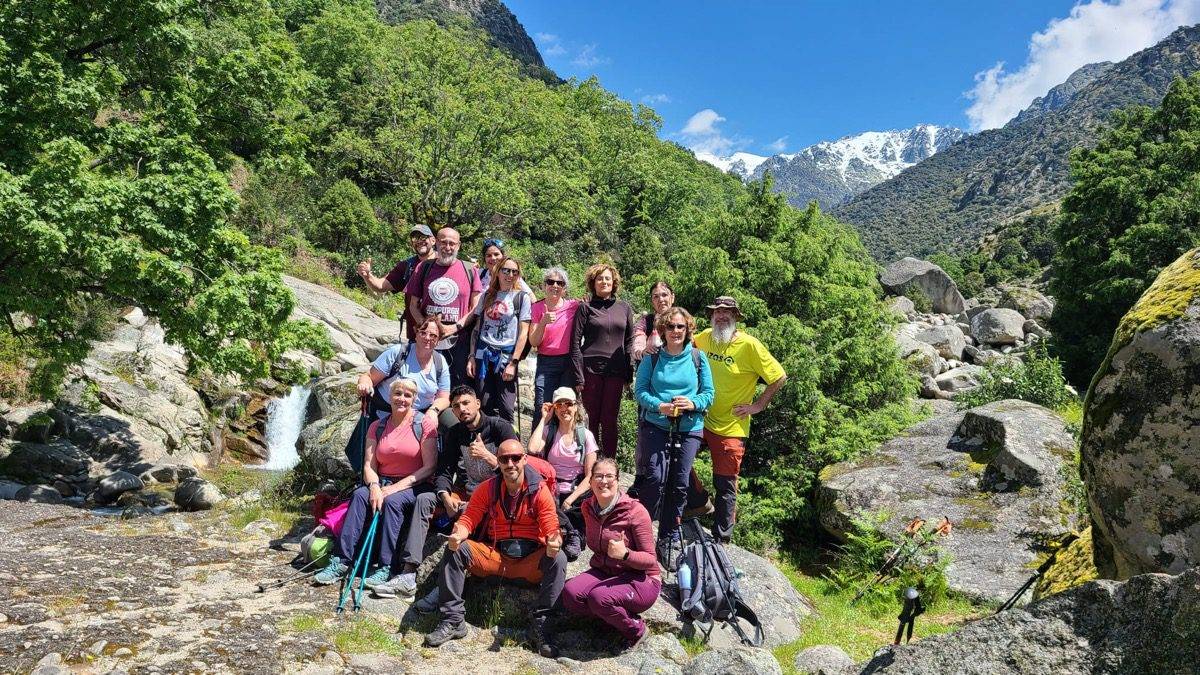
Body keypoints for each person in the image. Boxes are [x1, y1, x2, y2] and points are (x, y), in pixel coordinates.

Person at [424, 439, 565, 658]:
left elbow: (550, 523)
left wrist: (554, 540)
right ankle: (453, 620)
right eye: (504, 459)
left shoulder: (539, 490)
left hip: (529, 563)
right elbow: (469, 518)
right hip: (496, 557)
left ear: (525, 459)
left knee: (558, 558)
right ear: (497, 462)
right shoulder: (487, 489)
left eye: (516, 458)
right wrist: (458, 533)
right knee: (457, 549)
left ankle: (542, 628)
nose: (511, 464)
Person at [400, 385, 520, 604]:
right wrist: (445, 496)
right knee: (425, 499)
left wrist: (488, 456)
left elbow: (518, 472)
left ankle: (443, 591)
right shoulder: (456, 433)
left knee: (466, 522)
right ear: (453, 411)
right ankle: (408, 573)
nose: (462, 409)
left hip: (495, 496)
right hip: (465, 493)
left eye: (466, 403)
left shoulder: (500, 428)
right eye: (456, 406)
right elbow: (444, 470)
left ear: (477, 403)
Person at [314, 378, 438, 590]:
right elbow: (369, 466)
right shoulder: (377, 426)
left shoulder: (423, 424)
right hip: (382, 482)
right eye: (398, 394)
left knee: (392, 502)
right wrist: (374, 487)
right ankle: (342, 560)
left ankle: (385, 566)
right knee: (360, 495)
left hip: (415, 484)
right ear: (389, 397)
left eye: (408, 395)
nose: (402, 399)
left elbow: (429, 467)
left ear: (415, 399)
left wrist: (391, 489)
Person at [690, 296, 787, 544]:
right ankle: (699, 502)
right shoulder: (703, 338)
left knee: (725, 483)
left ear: (735, 317)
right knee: (674, 457)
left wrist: (758, 406)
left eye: (727, 312)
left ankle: (722, 539)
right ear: (711, 316)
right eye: (717, 312)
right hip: (700, 418)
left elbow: (778, 377)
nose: (722, 316)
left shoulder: (749, 345)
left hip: (731, 427)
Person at [633, 307, 713, 566]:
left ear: (688, 329)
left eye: (681, 327)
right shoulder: (652, 359)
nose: (676, 331)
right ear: (662, 330)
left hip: (688, 427)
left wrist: (691, 403)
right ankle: (641, 531)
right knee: (654, 478)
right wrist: (660, 406)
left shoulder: (698, 358)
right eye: (671, 327)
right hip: (656, 424)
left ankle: (668, 536)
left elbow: (709, 394)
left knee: (679, 483)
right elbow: (640, 391)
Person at [562, 458, 659, 650]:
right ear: (590, 482)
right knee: (570, 593)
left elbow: (650, 560)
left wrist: (625, 555)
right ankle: (613, 621)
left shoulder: (635, 511)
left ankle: (636, 630)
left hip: (641, 579)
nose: (603, 481)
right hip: (606, 571)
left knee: (600, 598)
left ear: (618, 480)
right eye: (598, 476)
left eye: (609, 476)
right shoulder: (588, 507)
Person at [404, 227, 484, 387]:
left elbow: (475, 308)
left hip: (459, 341)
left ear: (458, 245)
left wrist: (454, 328)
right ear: (436, 243)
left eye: (452, 243)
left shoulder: (470, 270)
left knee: (457, 387)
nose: (447, 247)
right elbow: (413, 305)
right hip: (428, 340)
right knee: (424, 385)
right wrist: (427, 328)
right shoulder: (423, 267)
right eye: (443, 243)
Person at [570, 263, 634, 459]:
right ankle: (588, 463)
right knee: (591, 419)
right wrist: (578, 377)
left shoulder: (624, 308)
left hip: (616, 371)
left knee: (610, 420)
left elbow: (629, 341)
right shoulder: (585, 307)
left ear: (614, 282)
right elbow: (574, 343)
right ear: (593, 283)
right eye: (599, 279)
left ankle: (609, 463)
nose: (604, 282)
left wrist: (628, 373)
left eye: (607, 278)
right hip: (590, 370)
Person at [465, 256, 532, 422]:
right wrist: (472, 357)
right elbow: (476, 328)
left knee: (506, 407)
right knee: (484, 402)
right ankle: (487, 442)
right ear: (498, 271)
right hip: (483, 353)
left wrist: (514, 363)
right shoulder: (487, 295)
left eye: (514, 272)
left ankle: (509, 443)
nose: (510, 275)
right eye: (506, 270)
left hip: (506, 357)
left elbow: (524, 332)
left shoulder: (521, 298)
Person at [355, 317, 450, 422]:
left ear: (438, 341)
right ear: (416, 335)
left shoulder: (440, 362)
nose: (427, 338)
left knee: (450, 419)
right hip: (385, 413)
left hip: (419, 417)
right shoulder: (398, 352)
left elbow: (444, 398)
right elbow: (368, 377)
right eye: (423, 333)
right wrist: (364, 384)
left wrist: (433, 410)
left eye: (433, 335)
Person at [356, 224, 437, 340]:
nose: (419, 241)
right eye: (415, 238)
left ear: (433, 240)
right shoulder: (407, 266)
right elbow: (381, 286)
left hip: (442, 333)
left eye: (423, 237)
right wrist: (367, 275)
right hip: (416, 335)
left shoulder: (445, 263)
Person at [528, 387, 597, 509]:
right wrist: (544, 419)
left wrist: (570, 500)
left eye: (568, 404)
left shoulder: (586, 436)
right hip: (549, 491)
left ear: (575, 407)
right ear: (554, 409)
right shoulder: (549, 431)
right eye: (559, 405)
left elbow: (590, 476)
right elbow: (532, 449)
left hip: (576, 495)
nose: (564, 409)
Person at [529, 266, 579, 413]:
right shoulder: (537, 308)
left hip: (568, 363)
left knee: (566, 407)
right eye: (551, 282)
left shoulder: (573, 306)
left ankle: (561, 436)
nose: (555, 286)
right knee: (542, 407)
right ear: (545, 285)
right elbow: (534, 342)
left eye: (560, 283)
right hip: (546, 362)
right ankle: (539, 436)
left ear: (564, 288)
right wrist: (543, 322)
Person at [630, 281, 675, 362]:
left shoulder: (682, 321)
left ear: (672, 297)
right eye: (656, 297)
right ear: (652, 301)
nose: (661, 300)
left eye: (664, 295)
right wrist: (642, 351)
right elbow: (638, 342)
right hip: (652, 371)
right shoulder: (646, 322)